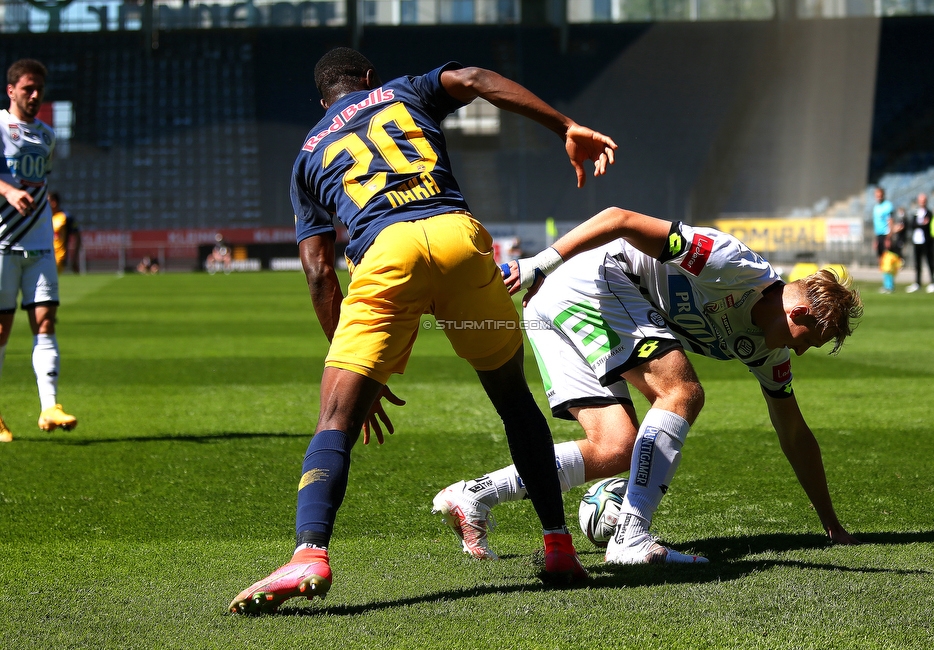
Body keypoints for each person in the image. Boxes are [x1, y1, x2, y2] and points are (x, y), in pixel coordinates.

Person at [228, 47, 617, 614]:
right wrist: (567, 125)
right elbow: (478, 77)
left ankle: (310, 553)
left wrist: (362, 368)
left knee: (335, 420)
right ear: (368, 80)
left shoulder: (308, 153)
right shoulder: (403, 92)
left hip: (386, 254)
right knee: (513, 399)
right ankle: (558, 545)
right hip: (458, 237)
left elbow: (318, 273)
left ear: (322, 100)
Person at [434, 207, 863, 565]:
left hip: (560, 304)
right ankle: (631, 537)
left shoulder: (768, 352)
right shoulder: (730, 265)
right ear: (800, 313)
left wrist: (831, 524)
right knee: (681, 393)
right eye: (809, 340)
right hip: (590, 280)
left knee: (615, 446)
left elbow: (794, 433)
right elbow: (619, 218)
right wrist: (540, 263)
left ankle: (473, 496)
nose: (802, 353)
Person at [0, 59, 77, 444]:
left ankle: (49, 406)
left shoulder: (47, 135)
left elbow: (39, 182)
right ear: (11, 89)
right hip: (2, 244)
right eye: (27, 88)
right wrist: (9, 191)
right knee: (0, 330)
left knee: (45, 322)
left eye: (39, 90)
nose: (34, 95)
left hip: (39, 243)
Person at [907, 193, 934, 293]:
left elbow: (927, 225)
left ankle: (932, 282)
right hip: (917, 241)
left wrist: (920, 224)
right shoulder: (916, 212)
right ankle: (917, 283)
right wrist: (921, 224)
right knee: (917, 263)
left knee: (929, 262)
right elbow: (912, 224)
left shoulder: (929, 213)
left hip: (926, 241)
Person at [48, 191, 80, 274]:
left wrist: (74, 259)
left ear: (53, 203)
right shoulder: (46, 218)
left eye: (47, 201)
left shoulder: (65, 217)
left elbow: (77, 237)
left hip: (59, 258)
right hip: (44, 256)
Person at [872, 187, 893, 268]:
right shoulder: (876, 207)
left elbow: (890, 221)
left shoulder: (888, 206)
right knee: (880, 261)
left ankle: (889, 280)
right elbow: (876, 224)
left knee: (887, 261)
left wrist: (888, 238)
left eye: (880, 195)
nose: (878, 197)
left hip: (886, 235)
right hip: (879, 235)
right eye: (877, 195)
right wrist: (876, 239)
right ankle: (885, 280)